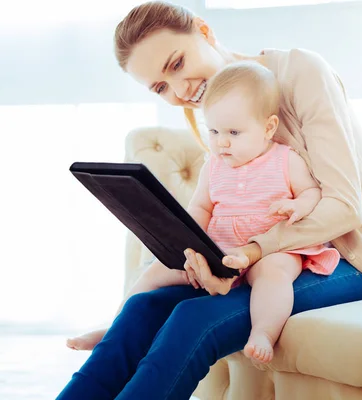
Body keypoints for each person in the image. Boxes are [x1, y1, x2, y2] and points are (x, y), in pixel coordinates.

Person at [58, 1, 362, 399]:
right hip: (248, 260)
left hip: (346, 260)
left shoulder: (301, 72)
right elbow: (221, 208)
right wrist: (195, 252)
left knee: (194, 318)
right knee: (141, 310)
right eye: (161, 88)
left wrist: (253, 251)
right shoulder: (219, 118)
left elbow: (344, 207)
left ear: (204, 31)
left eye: (176, 64)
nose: (181, 90)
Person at [68, 60, 341, 364]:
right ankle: (115, 328)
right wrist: (188, 241)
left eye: (234, 132)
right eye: (213, 130)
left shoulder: (285, 160)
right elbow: (200, 206)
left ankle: (264, 331)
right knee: (154, 271)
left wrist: (297, 205)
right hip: (220, 249)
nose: (221, 142)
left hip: (270, 248)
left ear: (268, 127)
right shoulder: (213, 166)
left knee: (274, 274)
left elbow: (312, 192)